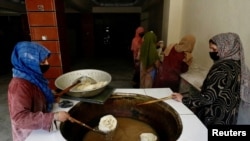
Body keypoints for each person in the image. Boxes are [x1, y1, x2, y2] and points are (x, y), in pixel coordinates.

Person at [172, 32, 244, 126]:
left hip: (214, 117)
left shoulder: (221, 68)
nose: (210, 52)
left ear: (225, 48)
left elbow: (208, 98)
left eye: (214, 49)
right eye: (210, 48)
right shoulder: (238, 65)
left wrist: (184, 99)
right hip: (229, 116)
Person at [8, 41, 72, 141]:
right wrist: (54, 117)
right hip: (28, 133)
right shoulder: (19, 85)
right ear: (28, 62)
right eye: (42, 62)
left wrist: (50, 96)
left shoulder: (32, 76)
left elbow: (36, 94)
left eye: (46, 60)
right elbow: (20, 118)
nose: (47, 64)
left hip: (38, 125)